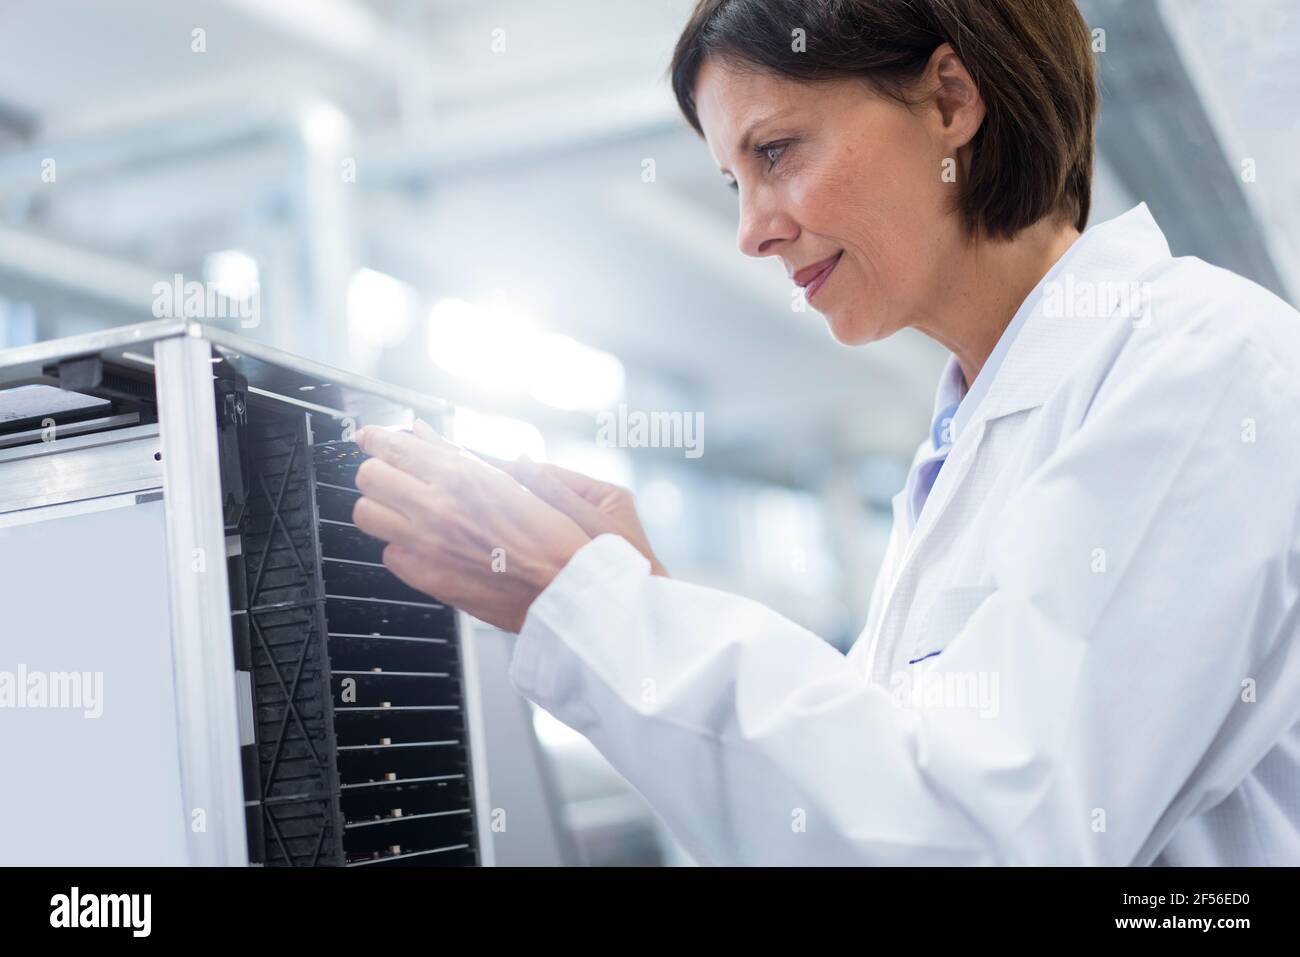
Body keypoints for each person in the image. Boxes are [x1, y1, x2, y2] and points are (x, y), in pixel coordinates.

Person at [351, 0, 1300, 865]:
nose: (751, 232)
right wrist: (643, 600)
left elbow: (986, 836)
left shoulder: (1205, 369)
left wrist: (589, 606)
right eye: (733, 182)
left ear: (949, 101)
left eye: (776, 152)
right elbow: (871, 792)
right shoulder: (969, 442)